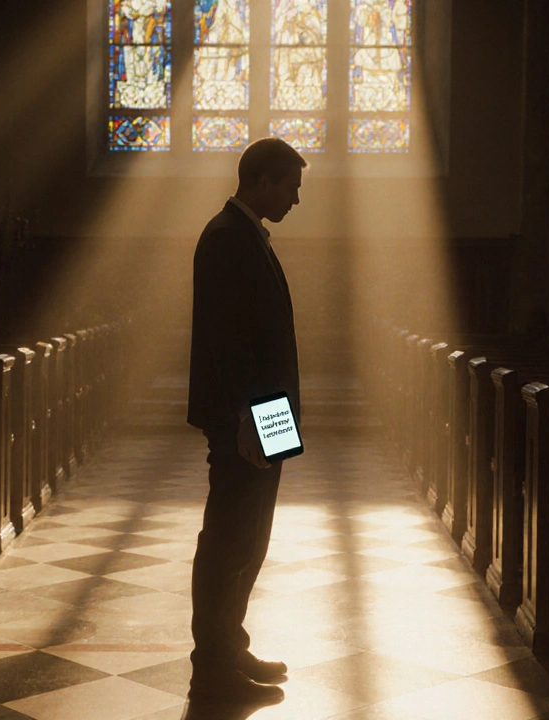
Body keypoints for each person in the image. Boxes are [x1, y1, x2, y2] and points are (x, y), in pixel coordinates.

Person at [187, 137, 305, 705]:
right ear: (260, 179)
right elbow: (227, 340)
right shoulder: (225, 238)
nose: (296, 200)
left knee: (253, 537)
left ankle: (231, 648)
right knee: (228, 538)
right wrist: (244, 415)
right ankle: (210, 667)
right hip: (249, 412)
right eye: (290, 186)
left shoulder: (246, 236)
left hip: (268, 410)